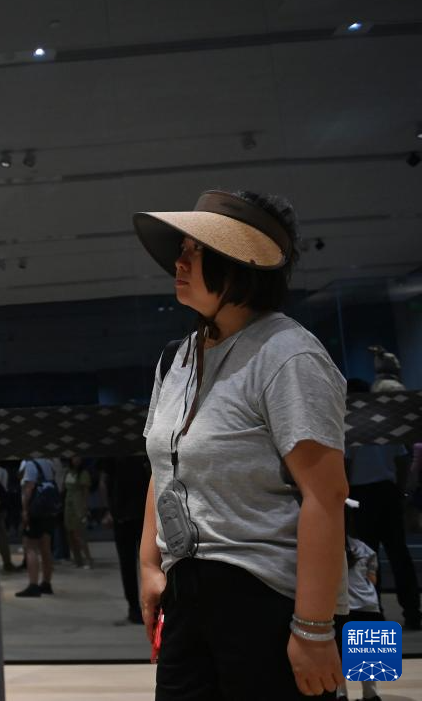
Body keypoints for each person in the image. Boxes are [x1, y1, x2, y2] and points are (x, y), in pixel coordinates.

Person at [134, 190, 349, 699]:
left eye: (197, 251)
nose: (180, 262)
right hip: (188, 594)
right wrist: (149, 566)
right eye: (182, 249)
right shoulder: (177, 358)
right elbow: (163, 467)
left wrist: (314, 629)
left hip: (266, 598)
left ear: (240, 265)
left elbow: (325, 496)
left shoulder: (288, 355)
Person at [345, 379, 420, 630]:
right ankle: (412, 612)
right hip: (387, 492)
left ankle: (373, 613)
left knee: (366, 556)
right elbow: (402, 460)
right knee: (399, 554)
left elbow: (346, 465)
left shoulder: (350, 426)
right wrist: (401, 491)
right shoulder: (386, 425)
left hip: (361, 495)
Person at [335, 504, 384, 701]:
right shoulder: (364, 548)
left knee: (338, 657)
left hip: (342, 608)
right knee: (368, 658)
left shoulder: (327, 545)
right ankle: (371, 695)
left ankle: (341, 695)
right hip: (369, 606)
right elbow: (372, 580)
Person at [99, 455, 151, 625]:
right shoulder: (136, 448)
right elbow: (104, 480)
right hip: (132, 514)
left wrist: (108, 509)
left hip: (131, 514)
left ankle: (139, 608)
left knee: (135, 565)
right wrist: (108, 510)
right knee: (140, 564)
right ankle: (140, 607)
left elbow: (104, 480)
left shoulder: (116, 450)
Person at [15, 457, 59, 597]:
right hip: (49, 510)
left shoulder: (30, 464)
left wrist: (25, 510)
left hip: (36, 511)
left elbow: (29, 487)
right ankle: (46, 583)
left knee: (30, 547)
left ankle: (33, 585)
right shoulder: (48, 462)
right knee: (46, 548)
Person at [63, 456, 93, 569]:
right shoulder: (68, 471)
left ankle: (88, 560)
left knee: (79, 534)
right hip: (68, 504)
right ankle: (77, 560)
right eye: (74, 458)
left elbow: (86, 492)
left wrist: (85, 507)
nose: (77, 460)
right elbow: (64, 487)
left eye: (79, 458)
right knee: (70, 534)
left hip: (78, 504)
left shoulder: (83, 473)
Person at [0, 464, 16, 572]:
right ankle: (7, 563)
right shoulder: (0, 477)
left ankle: (6, 563)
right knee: (2, 537)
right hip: (1, 510)